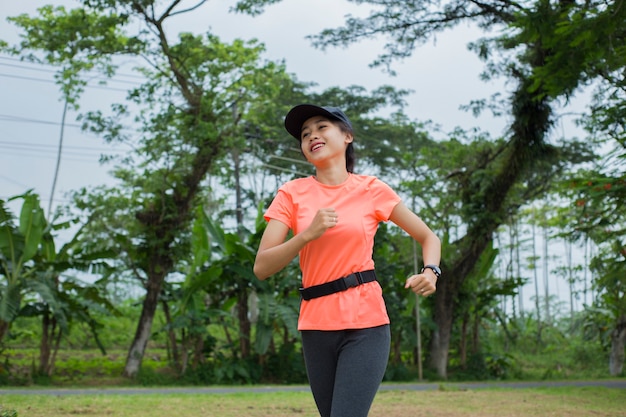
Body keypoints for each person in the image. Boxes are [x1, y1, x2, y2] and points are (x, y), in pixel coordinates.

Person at [253, 104, 441, 417]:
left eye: (322, 127)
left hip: (366, 323)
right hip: (316, 324)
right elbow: (262, 267)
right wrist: (306, 235)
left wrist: (431, 271)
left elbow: (428, 237)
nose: (312, 135)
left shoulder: (371, 190)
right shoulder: (291, 194)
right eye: (304, 134)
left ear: (347, 136)